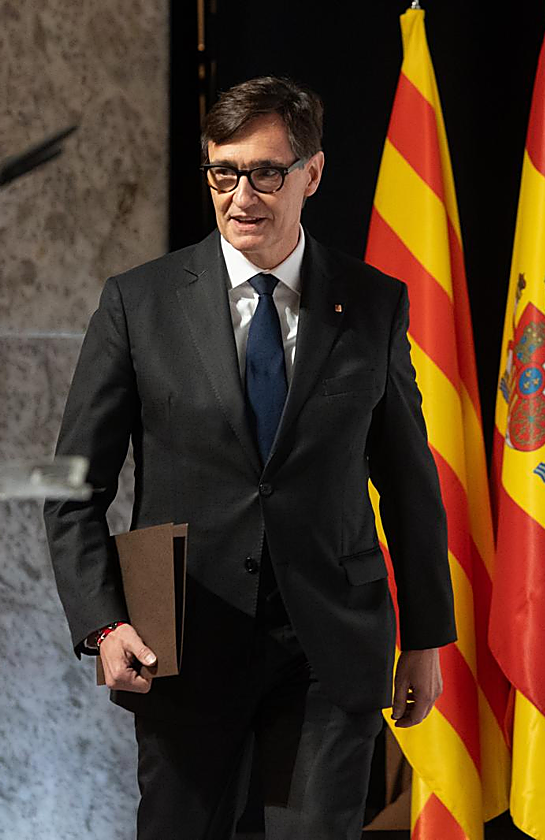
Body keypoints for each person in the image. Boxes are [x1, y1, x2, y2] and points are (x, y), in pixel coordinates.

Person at [44, 75, 455, 839]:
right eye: (223, 173)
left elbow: (406, 480)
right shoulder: (139, 304)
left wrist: (427, 637)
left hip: (328, 650)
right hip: (186, 646)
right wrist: (104, 625)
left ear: (312, 174)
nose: (241, 196)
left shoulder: (372, 304)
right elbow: (73, 490)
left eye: (265, 173)